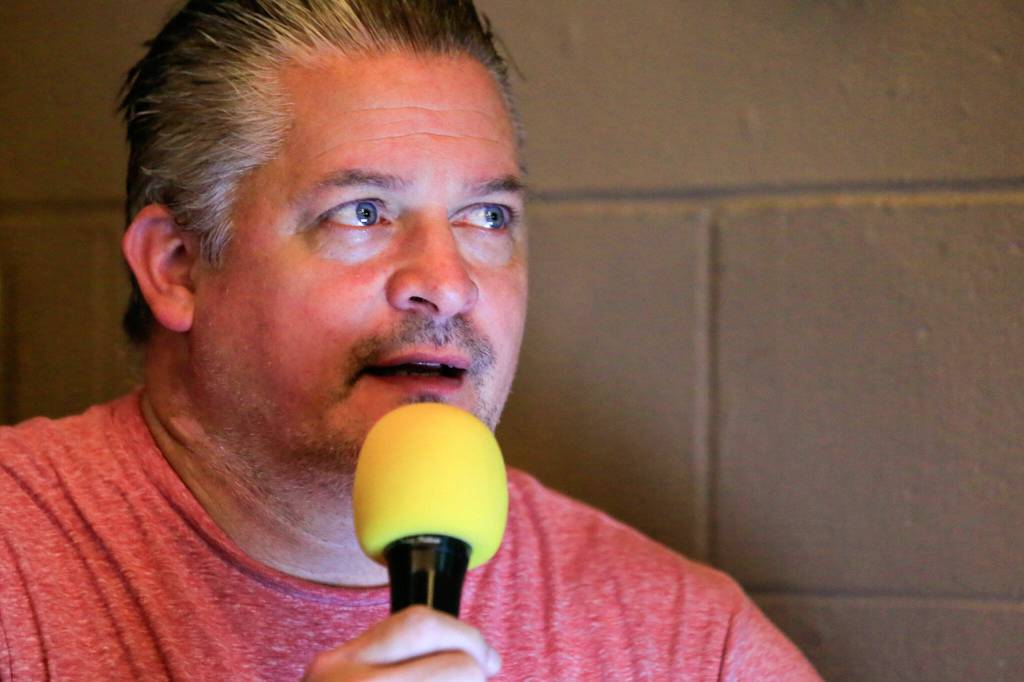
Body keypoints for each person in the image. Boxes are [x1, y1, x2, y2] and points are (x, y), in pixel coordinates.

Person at [0, 1, 820, 679]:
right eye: (362, 212)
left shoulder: (685, 642)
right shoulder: (19, 558)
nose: (449, 281)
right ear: (178, 267)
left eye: (487, 217)